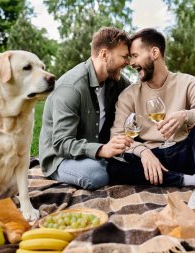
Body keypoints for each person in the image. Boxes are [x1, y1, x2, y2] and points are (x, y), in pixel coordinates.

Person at [107, 28, 195, 218]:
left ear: (154, 53)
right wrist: (144, 152)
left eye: (135, 56)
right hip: (153, 160)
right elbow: (117, 136)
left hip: (183, 153)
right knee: (113, 168)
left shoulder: (188, 82)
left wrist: (186, 115)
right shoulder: (129, 95)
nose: (131, 63)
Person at [39, 27, 133, 190]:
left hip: (94, 149)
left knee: (132, 156)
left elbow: (140, 93)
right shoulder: (71, 88)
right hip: (60, 157)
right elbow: (61, 143)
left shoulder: (115, 81)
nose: (128, 62)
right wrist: (102, 150)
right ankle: (113, 166)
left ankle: (113, 165)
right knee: (96, 174)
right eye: (124, 57)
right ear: (104, 54)